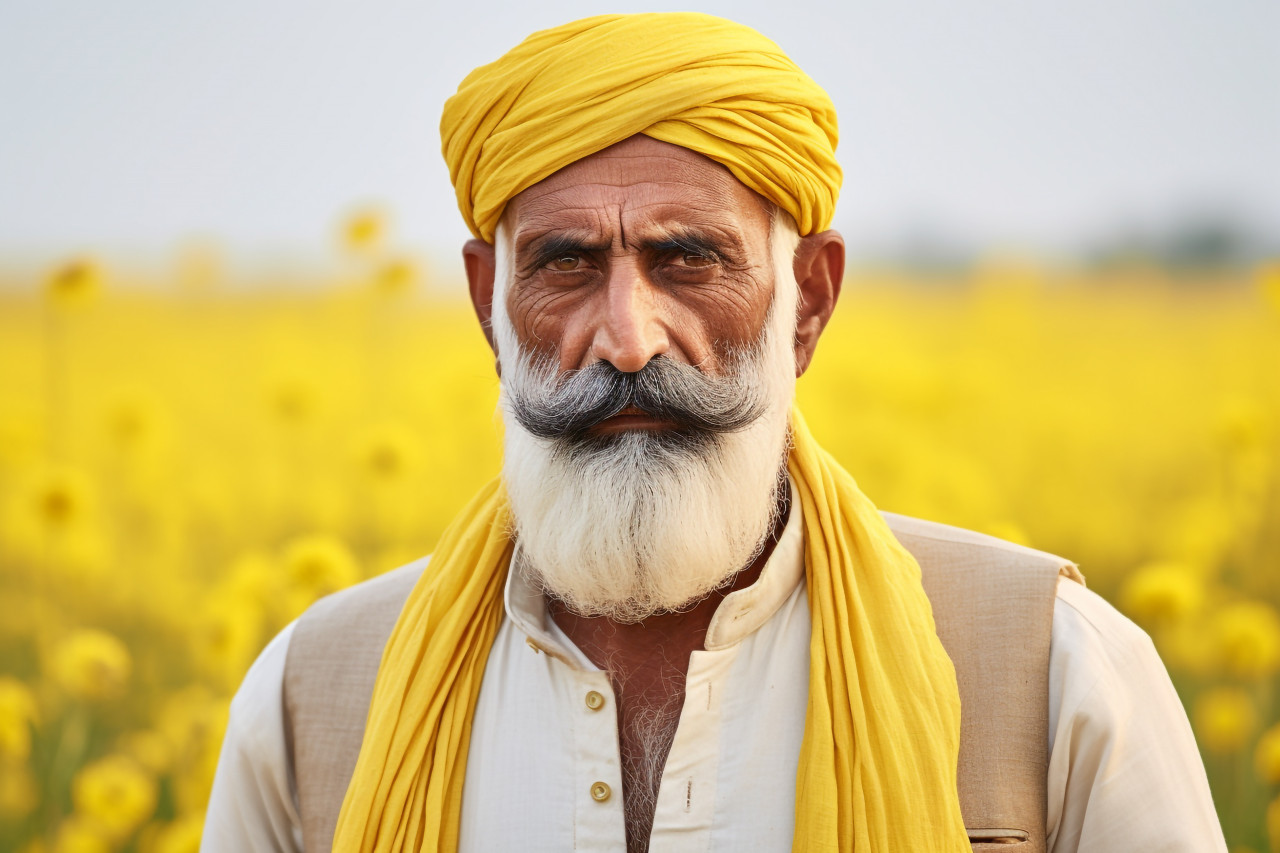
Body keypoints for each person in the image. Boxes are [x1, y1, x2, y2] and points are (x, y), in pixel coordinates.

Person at [202, 12, 1226, 853]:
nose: (626, 340)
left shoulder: (1050, 673)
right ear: (487, 306)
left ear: (809, 300)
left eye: (688, 260)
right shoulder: (313, 700)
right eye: (563, 264)